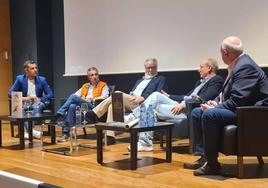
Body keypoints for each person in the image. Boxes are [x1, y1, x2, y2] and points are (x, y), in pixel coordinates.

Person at [184, 36, 268, 176]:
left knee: (209, 114)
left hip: (253, 113)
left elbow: (238, 100)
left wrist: (214, 108)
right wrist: (215, 102)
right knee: (197, 112)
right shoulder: (238, 64)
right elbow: (227, 94)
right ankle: (205, 157)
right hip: (242, 108)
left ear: (225, 52)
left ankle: (212, 165)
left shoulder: (245, 66)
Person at [127, 58, 223, 151]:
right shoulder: (199, 82)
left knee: (155, 99)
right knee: (154, 103)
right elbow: (185, 96)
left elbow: (205, 97)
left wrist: (184, 104)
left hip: (190, 110)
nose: (199, 70)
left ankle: (135, 119)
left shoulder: (216, 80)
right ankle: (145, 142)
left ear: (209, 68)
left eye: (201, 67)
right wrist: (169, 96)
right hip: (182, 106)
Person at [86, 58, 167, 144]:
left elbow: (159, 94)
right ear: (145, 68)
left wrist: (143, 97)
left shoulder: (160, 79)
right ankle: (110, 136)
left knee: (117, 94)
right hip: (132, 101)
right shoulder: (140, 80)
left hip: (143, 103)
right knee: (112, 105)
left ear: (156, 67)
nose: (150, 70)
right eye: (148, 68)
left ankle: (95, 113)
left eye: (153, 67)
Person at [57, 67, 109, 142]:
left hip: (95, 107)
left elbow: (105, 97)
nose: (94, 76)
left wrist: (91, 99)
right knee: (72, 106)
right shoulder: (85, 86)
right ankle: (66, 133)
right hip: (84, 106)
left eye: (96, 74)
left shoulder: (103, 85)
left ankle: (60, 113)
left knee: (72, 97)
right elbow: (76, 95)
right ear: (88, 77)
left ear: (98, 75)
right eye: (92, 75)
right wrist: (83, 98)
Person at [8, 60, 53, 139]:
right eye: (32, 68)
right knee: (20, 109)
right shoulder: (20, 79)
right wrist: (26, 98)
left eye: (36, 68)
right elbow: (10, 94)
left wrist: (39, 99)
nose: (35, 70)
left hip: (37, 103)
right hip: (25, 103)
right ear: (26, 70)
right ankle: (31, 131)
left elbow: (50, 94)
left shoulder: (42, 80)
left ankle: (28, 132)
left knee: (36, 107)